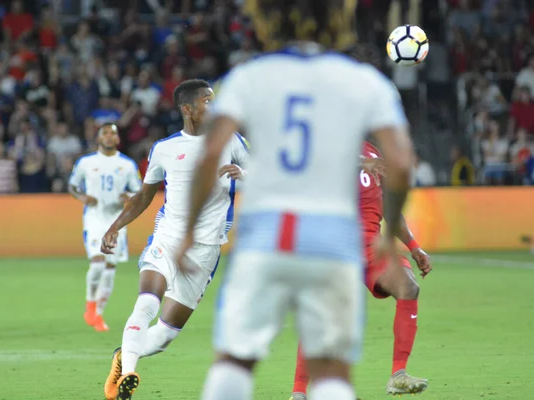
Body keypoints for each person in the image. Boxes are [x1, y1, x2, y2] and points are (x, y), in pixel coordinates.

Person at [176, 1, 415, 399]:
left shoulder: (249, 78)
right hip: (333, 240)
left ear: (268, 20)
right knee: (333, 371)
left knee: (235, 360)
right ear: (340, 20)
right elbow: (401, 163)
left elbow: (209, 155)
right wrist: (391, 233)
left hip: (265, 234)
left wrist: (186, 232)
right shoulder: (364, 82)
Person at [100, 79, 249, 400]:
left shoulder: (231, 140)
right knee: (146, 302)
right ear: (188, 109)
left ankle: (123, 356)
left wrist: (245, 175)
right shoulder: (164, 149)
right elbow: (144, 195)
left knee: (166, 335)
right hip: (167, 238)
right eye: (207, 101)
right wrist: (115, 226)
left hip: (206, 250)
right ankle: (128, 375)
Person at [289, 141, 433, 400]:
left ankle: (398, 375)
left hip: (370, 248)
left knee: (408, 287)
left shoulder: (374, 152)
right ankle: (299, 391)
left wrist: (414, 247)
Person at [68, 123, 142, 332]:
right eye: (105, 133)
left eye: (113, 134)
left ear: (118, 139)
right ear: (98, 138)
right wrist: (82, 197)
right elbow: (72, 185)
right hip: (94, 219)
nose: (109, 137)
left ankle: (98, 314)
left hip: (117, 222)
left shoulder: (127, 165)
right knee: (98, 263)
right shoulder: (86, 163)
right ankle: (90, 304)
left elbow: (138, 191)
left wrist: (128, 197)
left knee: (110, 269)